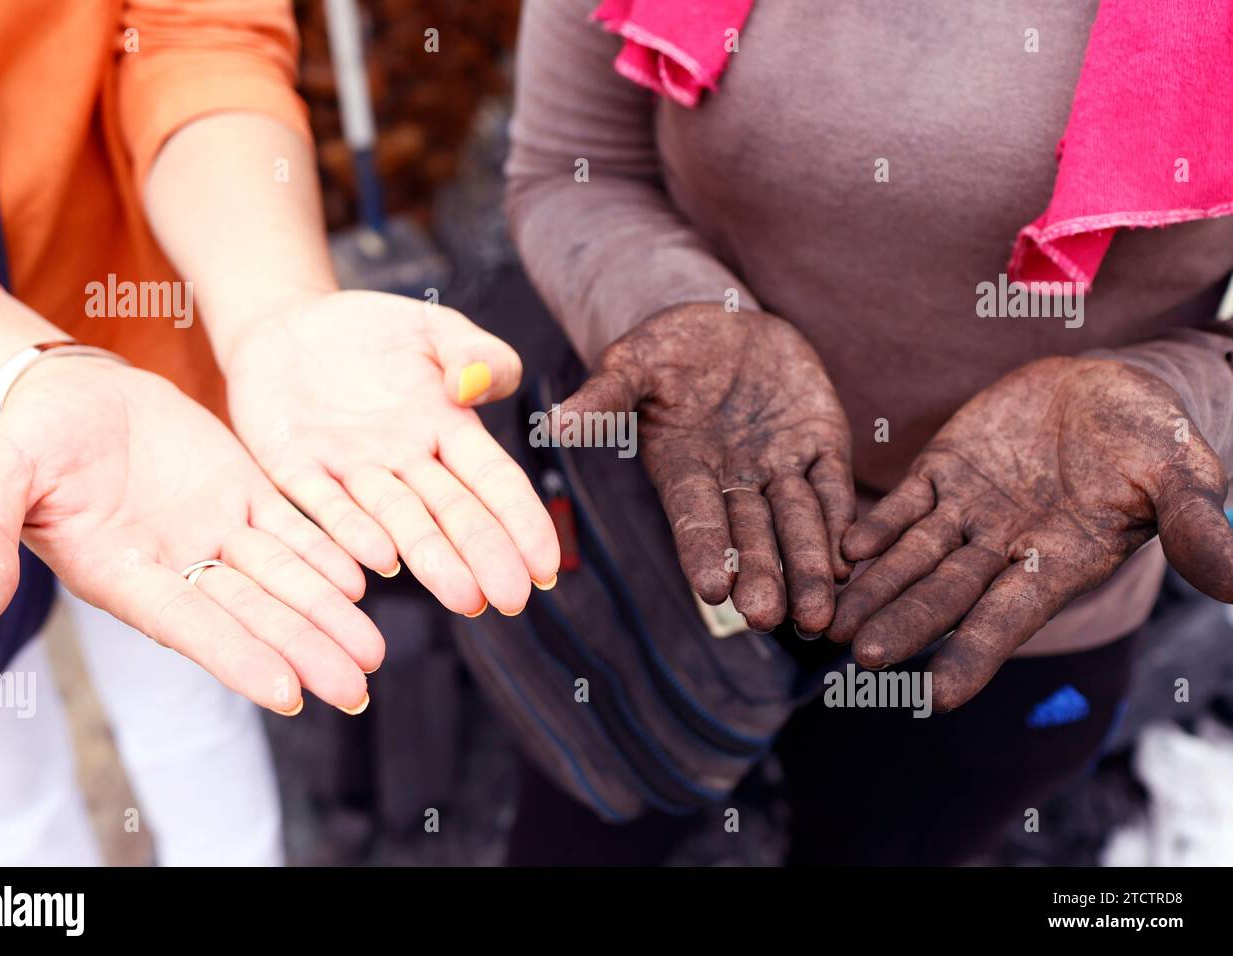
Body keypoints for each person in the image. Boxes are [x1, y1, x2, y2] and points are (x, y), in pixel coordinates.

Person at [501, 0, 1233, 864]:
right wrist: (681, 310)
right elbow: (572, 168)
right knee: (592, 821)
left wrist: (1177, 390)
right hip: (686, 512)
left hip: (1020, 589)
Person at [0, 0, 558, 864]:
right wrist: (12, 369)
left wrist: (274, 300)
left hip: (145, 380)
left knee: (199, 689)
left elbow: (200, 31)